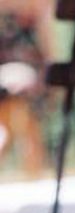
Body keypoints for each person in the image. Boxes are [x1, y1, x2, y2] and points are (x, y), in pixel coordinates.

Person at [0, 0, 52, 173]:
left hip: (19, 81)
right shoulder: (36, 8)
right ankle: (33, 174)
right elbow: (47, 53)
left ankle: (33, 173)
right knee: (21, 127)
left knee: (11, 127)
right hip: (20, 80)